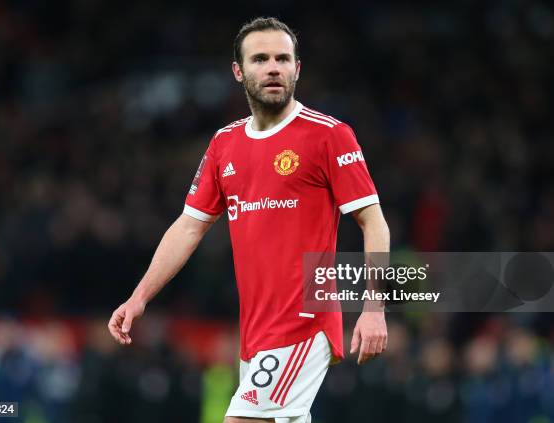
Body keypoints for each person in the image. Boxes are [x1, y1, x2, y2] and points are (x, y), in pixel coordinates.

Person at [108, 17, 390, 423]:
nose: (273, 67)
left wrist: (374, 306)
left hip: (303, 322)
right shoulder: (225, 143)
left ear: (297, 68)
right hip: (256, 333)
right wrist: (138, 298)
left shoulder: (328, 135)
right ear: (238, 71)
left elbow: (373, 220)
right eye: (260, 59)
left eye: (282, 58)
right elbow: (189, 226)